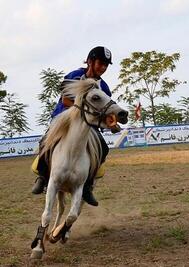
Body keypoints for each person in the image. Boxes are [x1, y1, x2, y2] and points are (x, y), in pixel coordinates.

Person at [31, 46, 113, 206]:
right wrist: (84, 112)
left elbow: (105, 108)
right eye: (100, 63)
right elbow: (66, 100)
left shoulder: (104, 88)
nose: (103, 68)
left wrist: (110, 119)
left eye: (106, 65)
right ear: (90, 61)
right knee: (45, 141)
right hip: (64, 119)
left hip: (88, 125)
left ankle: (87, 186)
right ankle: (42, 177)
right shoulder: (74, 76)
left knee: (104, 147)